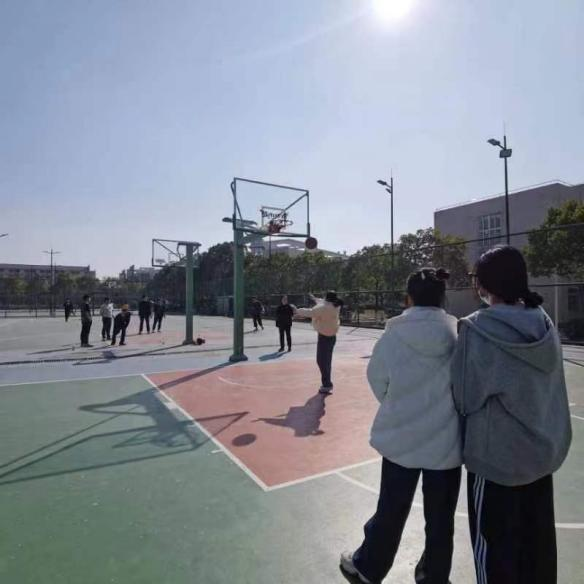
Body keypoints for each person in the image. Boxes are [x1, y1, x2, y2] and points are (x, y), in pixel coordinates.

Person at [451, 246, 572, 584]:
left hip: (498, 463)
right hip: (541, 456)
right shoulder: (544, 322)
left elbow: (465, 398)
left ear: (483, 283)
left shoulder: (476, 329)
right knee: (538, 551)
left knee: (495, 556)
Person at [340, 268, 461, 584]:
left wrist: (399, 405)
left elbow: (376, 379)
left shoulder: (394, 335)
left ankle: (369, 567)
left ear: (408, 298)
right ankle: (434, 576)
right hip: (446, 444)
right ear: (443, 298)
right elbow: (465, 386)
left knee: (390, 509)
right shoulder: (456, 336)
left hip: (400, 440)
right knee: (441, 519)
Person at [294, 291, 343, 394]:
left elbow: (311, 312)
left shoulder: (323, 308)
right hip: (332, 337)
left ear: (327, 298)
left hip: (324, 338)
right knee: (327, 361)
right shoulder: (336, 305)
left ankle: (327, 385)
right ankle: (327, 383)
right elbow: (322, 302)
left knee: (321, 361)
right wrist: (314, 298)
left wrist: (296, 310)